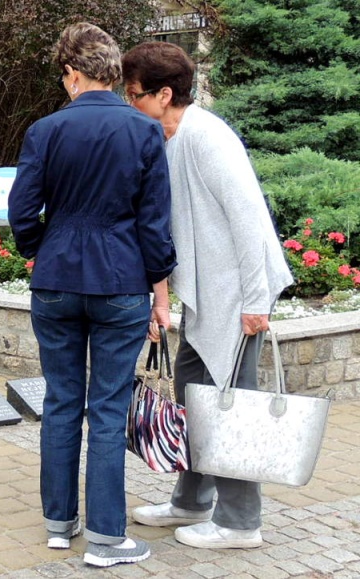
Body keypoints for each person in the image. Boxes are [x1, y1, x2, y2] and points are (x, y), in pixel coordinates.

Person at [7, 22, 176, 568]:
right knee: (106, 410)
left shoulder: (46, 130)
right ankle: (106, 538)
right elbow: (154, 224)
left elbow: (20, 210)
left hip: (56, 280)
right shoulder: (145, 132)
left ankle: (60, 524)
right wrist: (160, 292)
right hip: (120, 282)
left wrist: (42, 245)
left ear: (73, 74)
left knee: (60, 402)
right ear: (112, 72)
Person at [121, 42, 293, 550]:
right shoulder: (174, 137)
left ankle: (241, 523)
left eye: (135, 95)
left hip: (239, 299)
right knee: (196, 400)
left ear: (164, 94)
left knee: (232, 408)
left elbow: (249, 219)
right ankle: (191, 501)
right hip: (209, 298)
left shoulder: (208, 137)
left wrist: (256, 302)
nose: (131, 104)